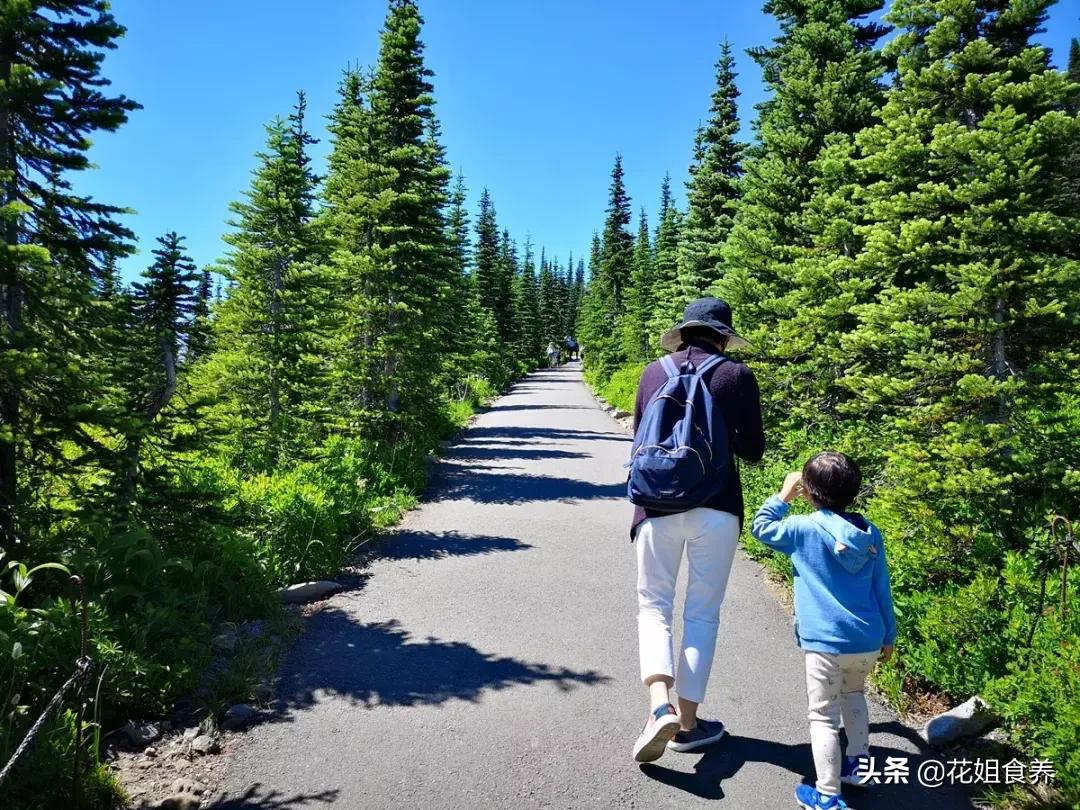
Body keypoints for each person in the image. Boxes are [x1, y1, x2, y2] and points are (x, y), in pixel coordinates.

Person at [631, 297, 765, 763]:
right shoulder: (736, 375)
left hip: (654, 508)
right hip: (717, 508)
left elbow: (639, 440)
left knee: (654, 607)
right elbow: (753, 451)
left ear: (684, 332)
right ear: (723, 336)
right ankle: (687, 724)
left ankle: (658, 707)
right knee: (702, 614)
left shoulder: (652, 373)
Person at [750, 452, 897, 810]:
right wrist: (889, 636)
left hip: (825, 643)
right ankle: (858, 767)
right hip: (866, 639)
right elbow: (882, 588)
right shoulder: (869, 532)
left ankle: (828, 795)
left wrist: (783, 496)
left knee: (823, 717)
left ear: (809, 491)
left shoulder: (803, 529)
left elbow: (761, 528)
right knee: (855, 696)